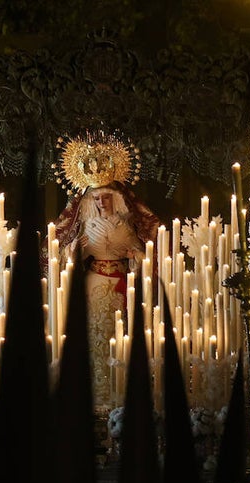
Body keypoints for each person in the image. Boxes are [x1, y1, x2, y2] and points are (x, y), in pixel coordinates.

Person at [53, 142, 160, 406]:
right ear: (91, 202)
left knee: (120, 334)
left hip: (122, 285)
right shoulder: (87, 227)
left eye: (106, 198)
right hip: (94, 284)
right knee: (94, 335)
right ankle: (94, 389)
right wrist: (72, 251)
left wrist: (136, 257)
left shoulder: (125, 226)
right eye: (97, 199)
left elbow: (141, 251)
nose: (102, 202)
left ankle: (120, 389)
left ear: (116, 199)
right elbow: (69, 255)